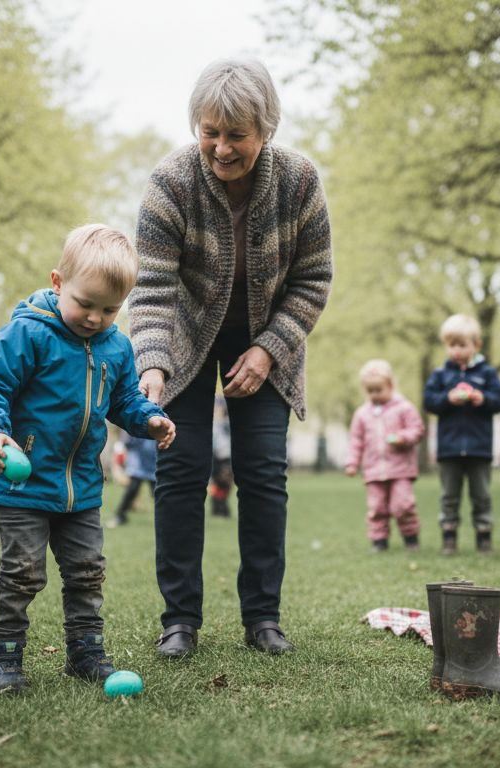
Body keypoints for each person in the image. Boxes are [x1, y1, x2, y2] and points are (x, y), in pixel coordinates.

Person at [130, 58, 333, 658]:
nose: (221, 147)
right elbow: (153, 288)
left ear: (265, 129)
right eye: (209, 131)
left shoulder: (298, 181)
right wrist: (153, 367)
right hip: (186, 338)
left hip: (269, 336)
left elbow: (315, 278)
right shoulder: (171, 182)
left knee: (264, 473)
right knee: (180, 470)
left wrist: (269, 351)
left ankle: (263, 619)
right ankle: (180, 621)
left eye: (236, 135)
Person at [0, 224, 177, 694]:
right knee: (22, 572)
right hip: (21, 485)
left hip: (81, 488)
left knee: (87, 572)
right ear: (58, 282)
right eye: (85, 303)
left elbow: (123, 399)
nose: (94, 318)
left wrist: (148, 418)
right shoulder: (27, 334)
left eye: (109, 309)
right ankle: (4, 657)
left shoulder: (117, 347)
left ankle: (85, 654)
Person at [423, 314, 500, 555]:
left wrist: (483, 398)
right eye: (452, 345)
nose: (456, 351)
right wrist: (447, 399)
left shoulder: (487, 374)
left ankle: (484, 535)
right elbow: (429, 402)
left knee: (481, 495)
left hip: (479, 448)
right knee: (449, 496)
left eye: (462, 345)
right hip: (449, 449)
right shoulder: (441, 375)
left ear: (476, 345)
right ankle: (449, 536)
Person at [344, 360, 425, 552]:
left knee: (403, 505)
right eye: (370, 391)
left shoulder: (404, 407)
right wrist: (352, 463)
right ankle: (379, 541)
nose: (375, 395)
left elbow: (418, 429)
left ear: (391, 385)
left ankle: (411, 537)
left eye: (379, 389)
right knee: (377, 507)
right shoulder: (362, 414)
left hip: (401, 468)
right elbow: (356, 440)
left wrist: (402, 437)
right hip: (374, 469)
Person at [108, 434, 157, 528]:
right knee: (132, 490)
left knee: (157, 493)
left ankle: (166, 518)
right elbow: (127, 442)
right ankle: (120, 516)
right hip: (138, 464)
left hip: (153, 464)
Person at [208, 394, 234, 518]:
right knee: (217, 483)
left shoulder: (227, 424)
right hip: (216, 457)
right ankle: (217, 505)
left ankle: (222, 506)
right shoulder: (214, 424)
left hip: (226, 457)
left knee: (226, 483)